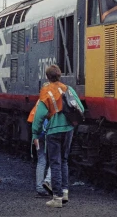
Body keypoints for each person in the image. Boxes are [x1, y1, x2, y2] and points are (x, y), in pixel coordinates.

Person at [30, 65, 84, 208]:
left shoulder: (46, 91)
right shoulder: (68, 89)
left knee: (55, 162)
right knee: (64, 160)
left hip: (54, 131)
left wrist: (35, 133)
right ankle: (65, 192)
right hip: (68, 130)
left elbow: (39, 115)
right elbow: (81, 108)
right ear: (60, 75)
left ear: (47, 77)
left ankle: (57, 197)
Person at [27, 101, 51, 197]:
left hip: (39, 135)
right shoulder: (54, 101)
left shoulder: (38, 103)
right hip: (50, 134)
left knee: (41, 160)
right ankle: (47, 182)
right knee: (55, 159)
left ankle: (40, 187)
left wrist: (35, 135)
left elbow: (34, 120)